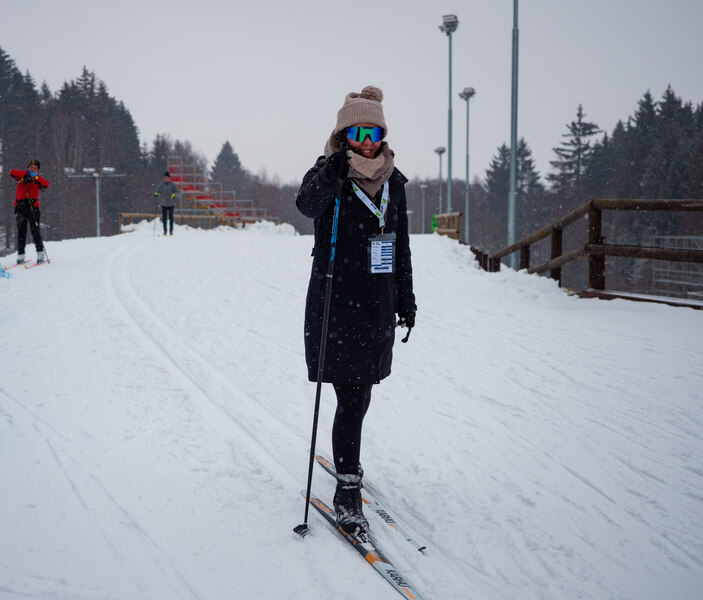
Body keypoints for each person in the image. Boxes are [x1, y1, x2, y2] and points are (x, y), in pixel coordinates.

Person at [296, 85, 416, 536]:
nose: (367, 142)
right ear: (343, 134)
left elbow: (400, 246)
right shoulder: (328, 172)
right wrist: (330, 176)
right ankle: (347, 488)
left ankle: (349, 462)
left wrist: (406, 298)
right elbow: (306, 206)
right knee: (349, 396)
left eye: (375, 132)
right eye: (358, 132)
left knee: (362, 394)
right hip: (336, 301)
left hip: (376, 303)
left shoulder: (394, 182)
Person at [10, 159, 50, 264]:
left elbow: (46, 184)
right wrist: (25, 176)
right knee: (21, 231)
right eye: (31, 167)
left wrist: (34, 179)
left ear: (37, 170)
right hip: (20, 207)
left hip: (33, 207)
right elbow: (12, 172)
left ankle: (40, 252)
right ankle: (21, 254)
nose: (32, 169)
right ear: (28, 168)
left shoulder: (37, 179)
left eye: (35, 168)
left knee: (35, 230)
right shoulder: (22, 175)